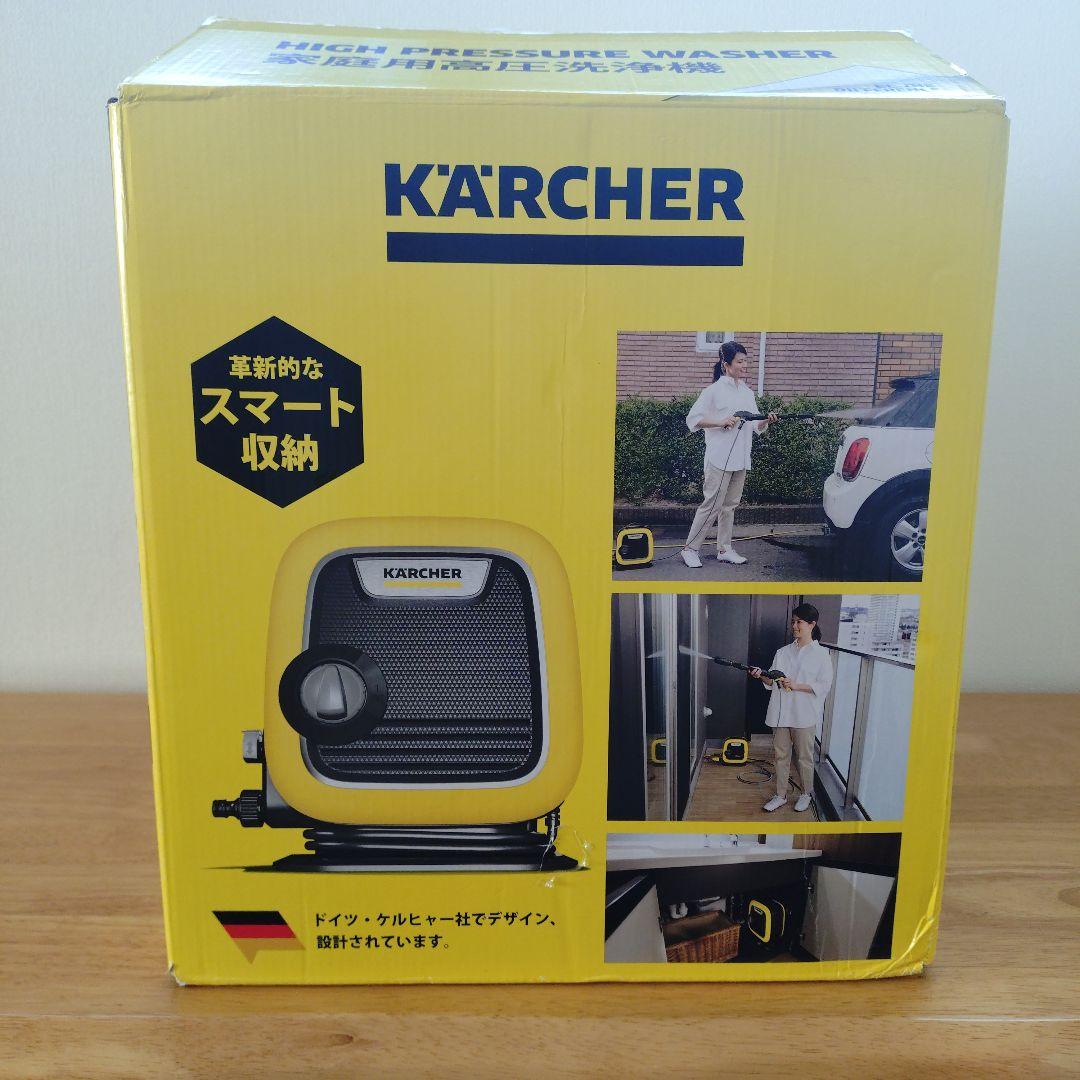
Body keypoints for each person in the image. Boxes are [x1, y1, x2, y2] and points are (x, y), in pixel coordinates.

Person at [680, 341, 777, 569]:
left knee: (730, 506)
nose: (745, 366)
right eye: (740, 361)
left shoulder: (747, 393)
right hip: (718, 458)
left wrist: (765, 420)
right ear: (726, 364)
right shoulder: (713, 391)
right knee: (712, 505)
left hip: (740, 458)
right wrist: (720, 421)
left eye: (746, 361)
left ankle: (724, 549)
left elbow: (755, 426)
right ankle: (690, 550)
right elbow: (693, 420)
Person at [749, 603, 834, 814]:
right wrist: (761, 676)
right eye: (793, 621)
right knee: (781, 756)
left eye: (799, 622)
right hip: (780, 713)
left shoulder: (821, 654)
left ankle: (806, 794)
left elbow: (824, 685)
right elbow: (772, 681)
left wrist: (796, 685)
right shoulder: (783, 652)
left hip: (804, 714)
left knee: (804, 758)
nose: (794, 626)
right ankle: (780, 795)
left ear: (812, 624)